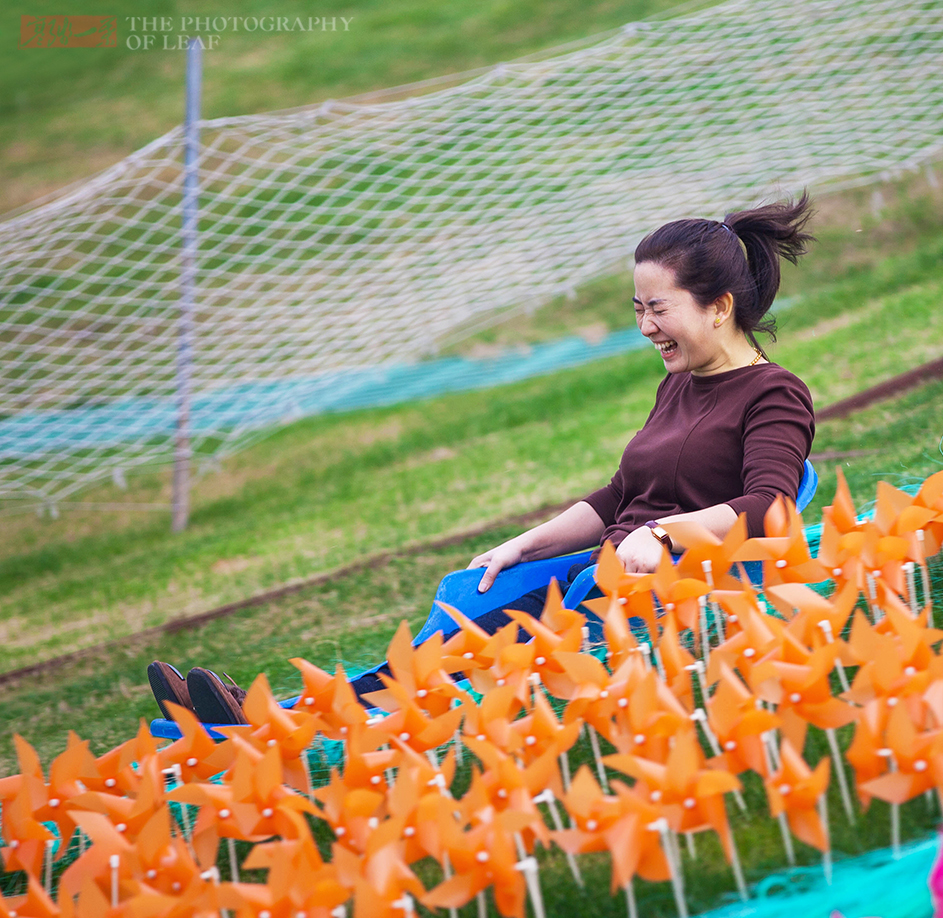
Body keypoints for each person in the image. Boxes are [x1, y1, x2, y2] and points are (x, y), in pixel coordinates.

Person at [148, 193, 818, 725]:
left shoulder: (774, 393)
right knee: (463, 624)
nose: (645, 325)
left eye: (658, 309)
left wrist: (663, 533)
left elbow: (772, 507)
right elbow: (621, 494)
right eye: (637, 308)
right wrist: (520, 545)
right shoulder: (677, 383)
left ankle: (274, 724)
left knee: (460, 651)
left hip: (659, 592)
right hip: (600, 570)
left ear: (720, 306)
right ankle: (270, 716)